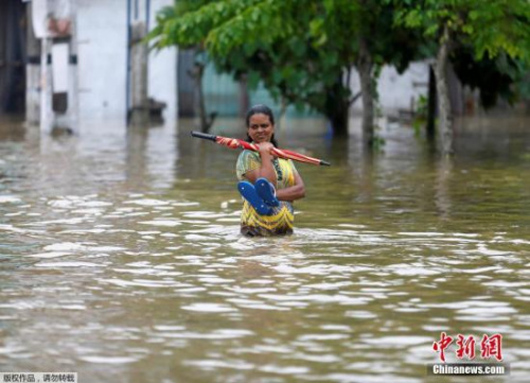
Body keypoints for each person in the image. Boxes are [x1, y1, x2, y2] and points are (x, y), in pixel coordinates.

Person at [236, 105, 305, 237]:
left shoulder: (285, 157)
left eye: (264, 125)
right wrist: (265, 154)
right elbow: (266, 183)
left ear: (273, 127)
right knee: (264, 186)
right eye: (254, 127)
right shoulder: (247, 156)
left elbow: (300, 190)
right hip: (255, 233)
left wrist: (272, 196)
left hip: (284, 232)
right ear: (248, 130)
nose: (260, 130)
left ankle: (270, 198)